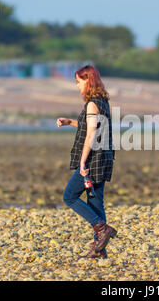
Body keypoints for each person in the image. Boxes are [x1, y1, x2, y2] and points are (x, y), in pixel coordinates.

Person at [57, 65, 117, 259]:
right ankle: (99, 250)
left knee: (70, 196)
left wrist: (83, 162)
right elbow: (90, 125)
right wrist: (70, 122)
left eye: (78, 81)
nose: (77, 86)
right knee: (95, 201)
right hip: (105, 157)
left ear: (87, 80)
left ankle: (102, 229)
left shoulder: (92, 103)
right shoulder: (103, 102)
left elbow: (91, 134)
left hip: (94, 159)